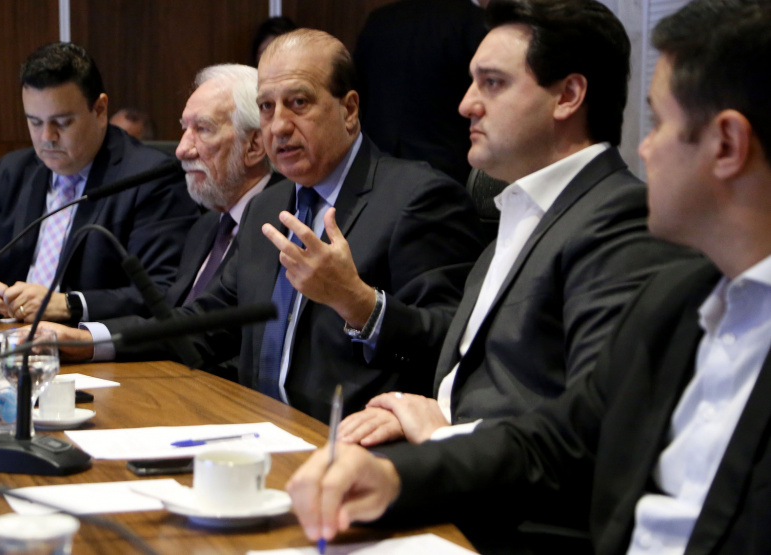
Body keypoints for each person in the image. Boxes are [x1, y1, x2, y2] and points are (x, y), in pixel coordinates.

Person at [288, 1, 771, 553]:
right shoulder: (684, 296)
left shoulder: (619, 223)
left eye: (659, 123)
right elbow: (565, 437)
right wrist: (401, 476)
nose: (644, 147)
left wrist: (438, 432)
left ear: (728, 144)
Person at [57, 29, 485, 423]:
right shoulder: (268, 206)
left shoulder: (417, 198)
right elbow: (205, 323)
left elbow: (450, 345)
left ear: (349, 109)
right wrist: (87, 340)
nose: (279, 125)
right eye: (267, 107)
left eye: (298, 103)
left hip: (345, 445)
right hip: (251, 428)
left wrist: (359, 303)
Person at [340, 0, 691, 449]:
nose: (466, 104)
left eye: (492, 83)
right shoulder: (511, 211)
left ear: (567, 96)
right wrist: (416, 417)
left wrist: (443, 435)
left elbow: (593, 431)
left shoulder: (623, 221)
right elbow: (472, 385)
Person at [0, 42, 197, 324]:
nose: (47, 136)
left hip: (94, 352)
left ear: (99, 110)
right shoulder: (14, 171)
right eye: (35, 122)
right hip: (11, 342)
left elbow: (160, 292)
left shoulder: (148, 177)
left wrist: (68, 305)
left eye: (61, 122)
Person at [43, 64, 275, 370]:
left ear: (255, 145)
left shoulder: (277, 226)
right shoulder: (206, 227)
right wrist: (85, 339)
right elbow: (172, 319)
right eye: (184, 128)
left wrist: (89, 341)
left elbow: (218, 336)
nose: (181, 149)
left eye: (202, 129)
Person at [354, 0, 488, 186]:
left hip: (374, 164)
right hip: (446, 169)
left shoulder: (379, 20)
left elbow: (358, 92)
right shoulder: (473, 21)